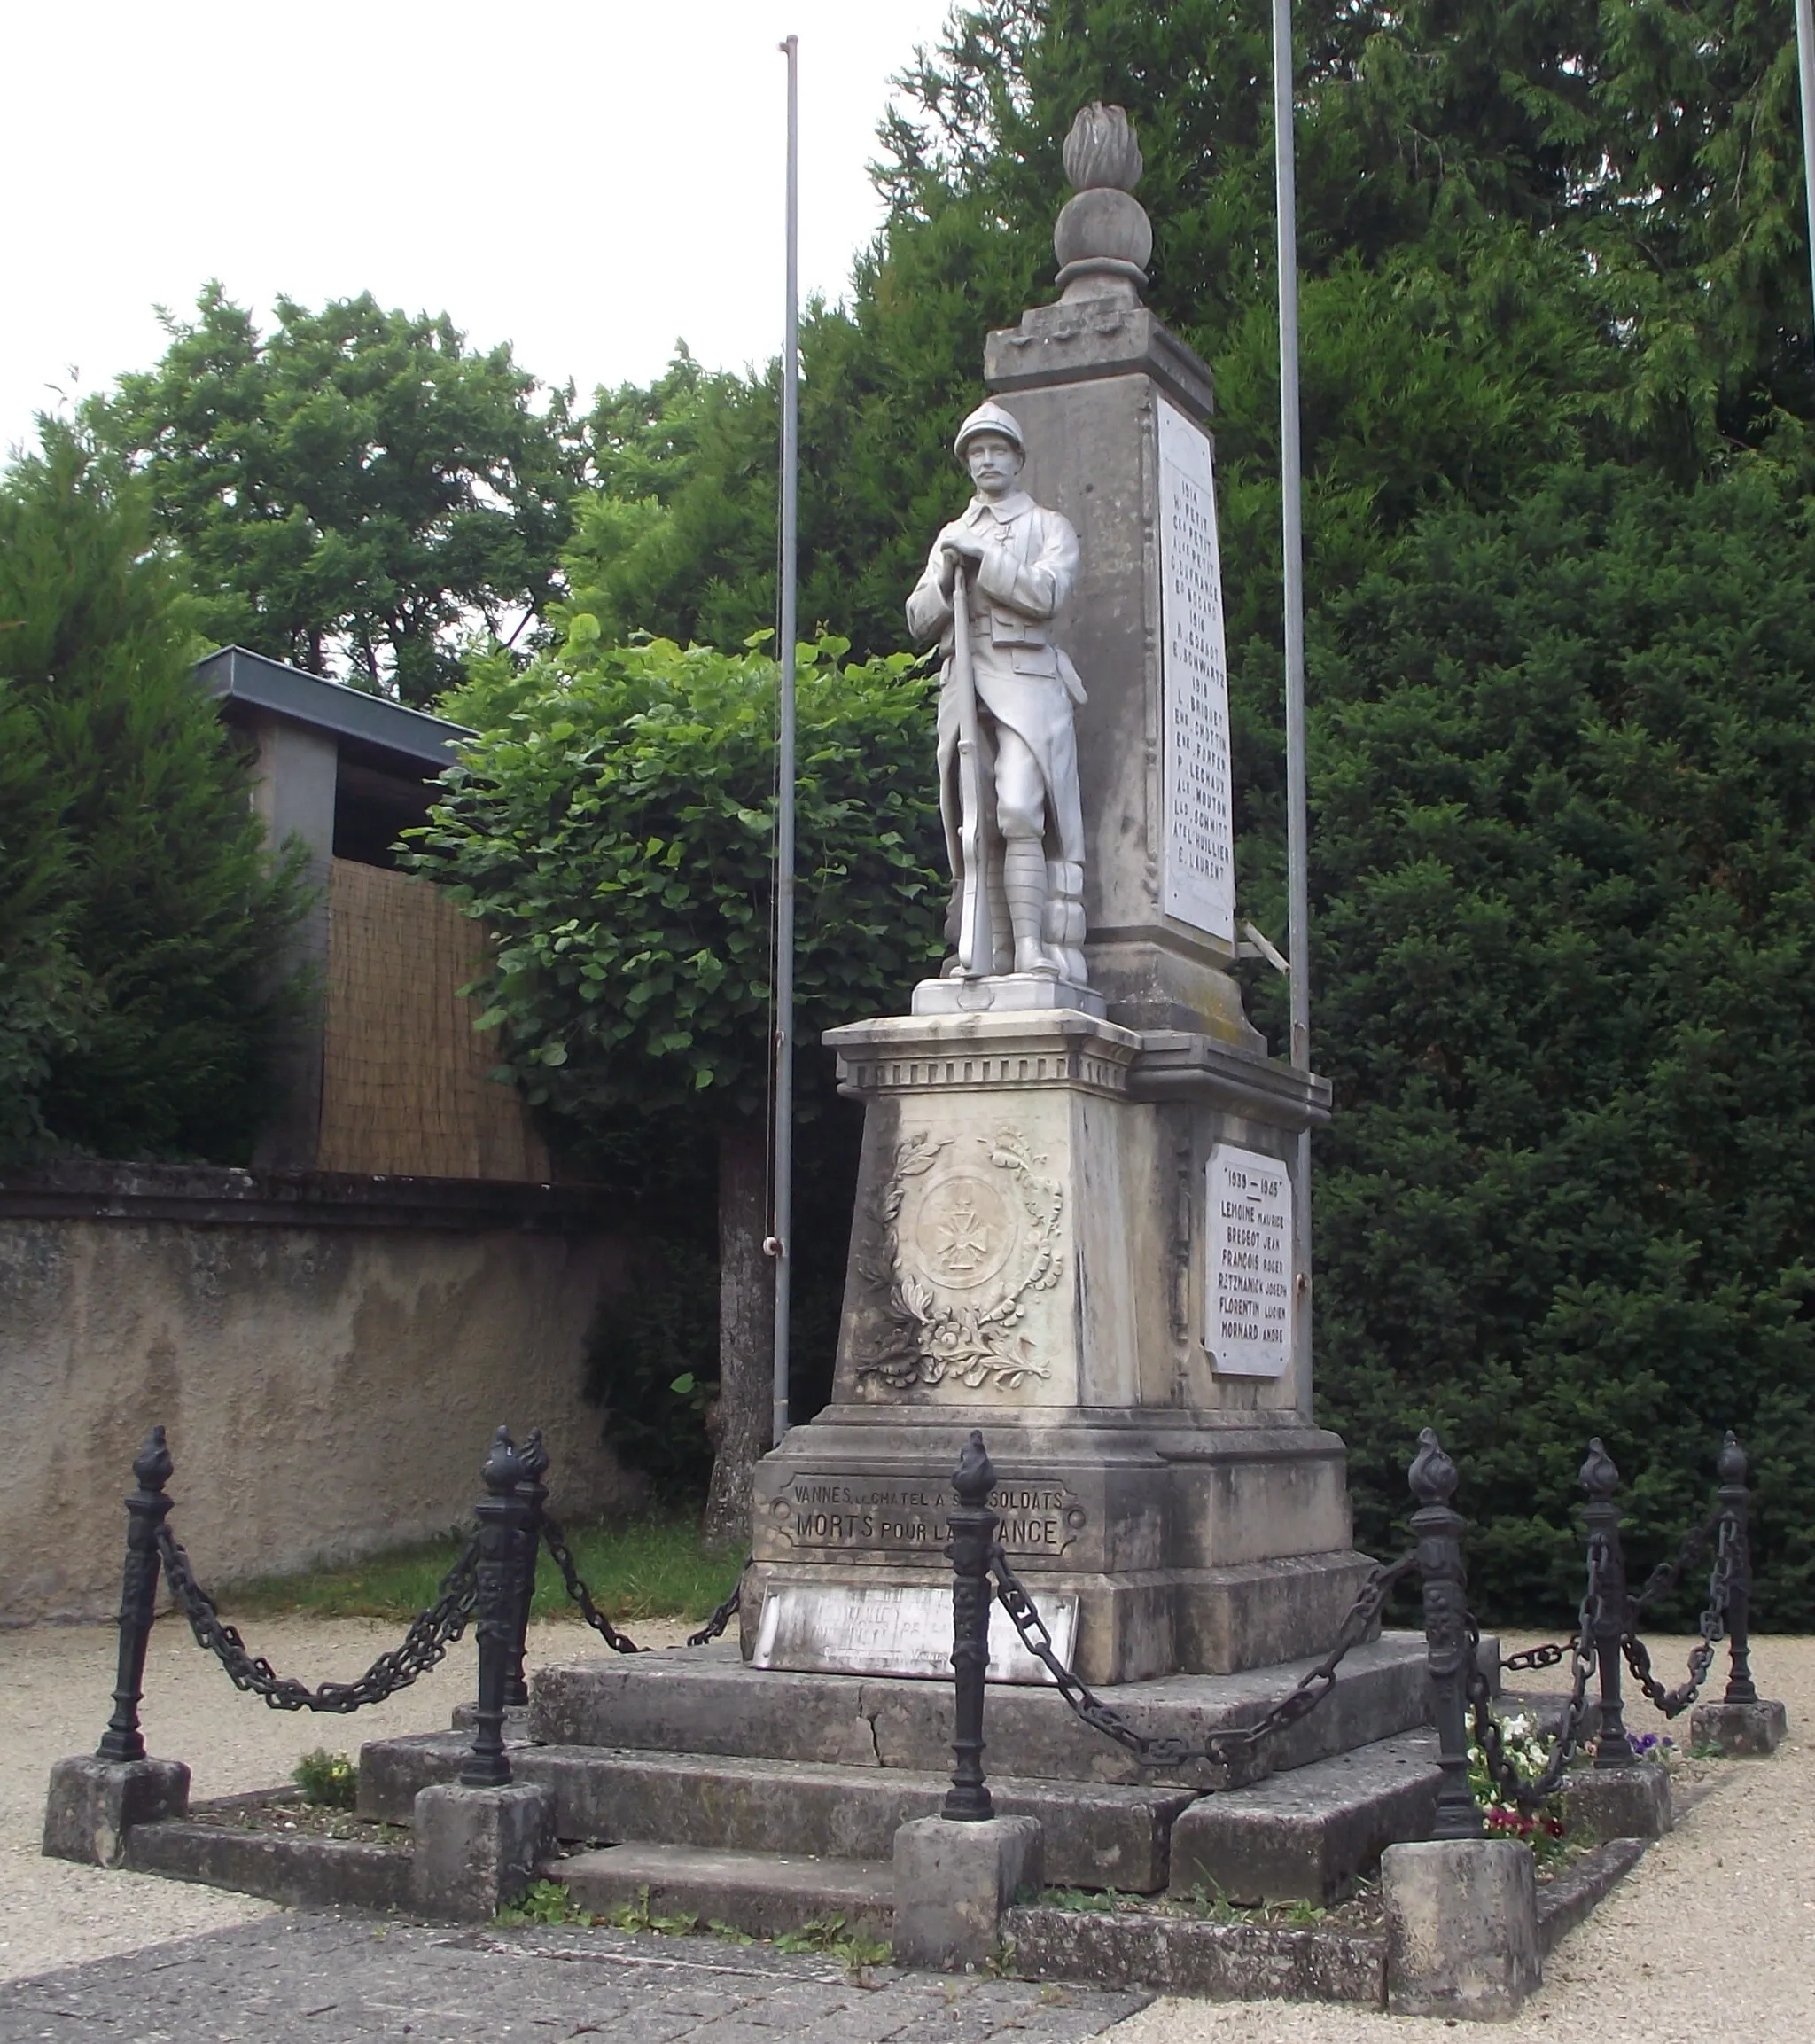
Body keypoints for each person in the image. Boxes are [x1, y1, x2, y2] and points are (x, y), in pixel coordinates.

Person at [905, 400, 1088, 982]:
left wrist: (989, 560)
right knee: (974, 820)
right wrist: (943, 576)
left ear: (1016, 459)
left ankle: (1034, 948)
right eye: (976, 452)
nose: (985, 461)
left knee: (1018, 809)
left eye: (996, 450)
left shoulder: (1047, 527)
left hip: (1028, 680)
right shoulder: (951, 535)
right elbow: (917, 618)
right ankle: (989, 952)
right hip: (965, 684)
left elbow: (1050, 594)